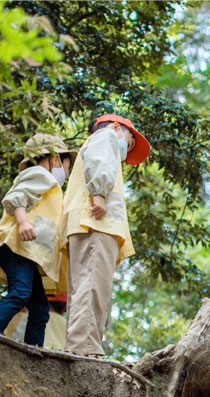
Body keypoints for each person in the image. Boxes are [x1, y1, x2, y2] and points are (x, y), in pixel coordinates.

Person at [60, 114, 150, 356]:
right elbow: (100, 161)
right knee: (92, 286)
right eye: (130, 142)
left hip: (86, 222)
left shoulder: (96, 141)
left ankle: (79, 346)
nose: (127, 149)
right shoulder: (107, 135)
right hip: (95, 222)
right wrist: (99, 195)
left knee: (85, 288)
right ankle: (85, 349)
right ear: (116, 126)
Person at [0, 133, 76, 346]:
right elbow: (15, 198)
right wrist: (23, 222)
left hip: (28, 253)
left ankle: (33, 351)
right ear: (55, 159)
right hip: (18, 247)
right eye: (67, 167)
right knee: (20, 292)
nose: (66, 174)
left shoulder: (48, 184)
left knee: (41, 309)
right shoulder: (41, 175)